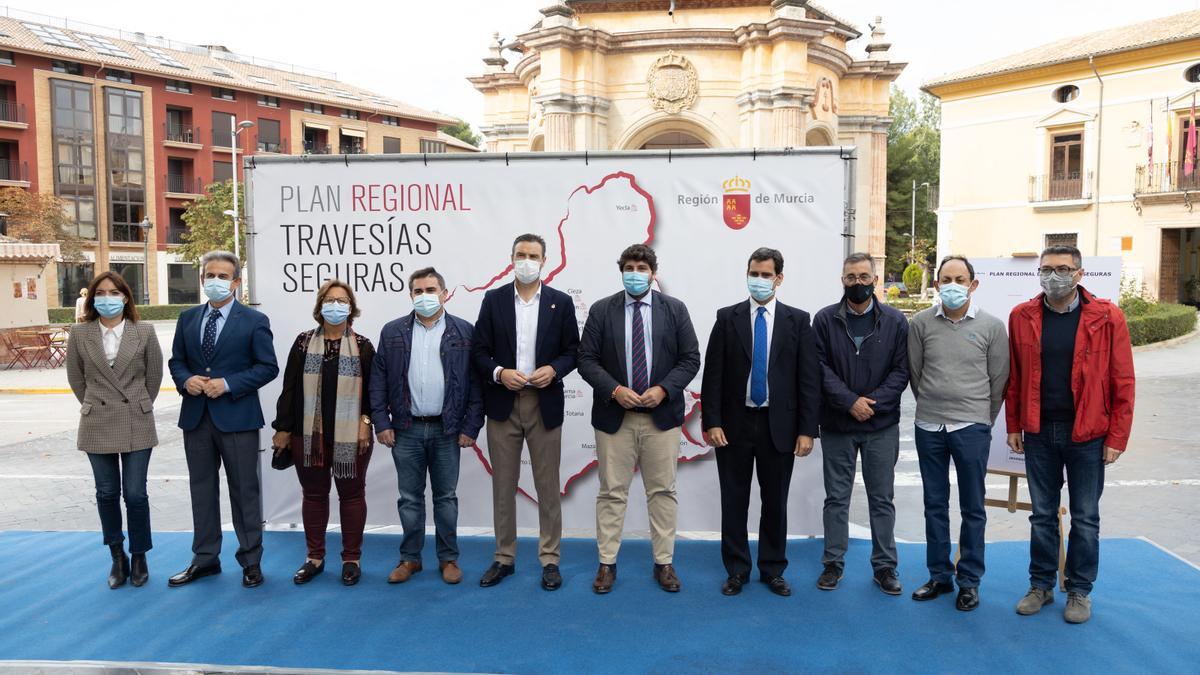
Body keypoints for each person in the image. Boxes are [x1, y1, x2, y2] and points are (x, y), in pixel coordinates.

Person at [1006, 245, 1135, 624]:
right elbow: (1015, 376)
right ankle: (1041, 585)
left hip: (1088, 433)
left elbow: (1123, 380)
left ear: (1080, 274)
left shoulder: (1107, 317)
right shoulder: (1022, 315)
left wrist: (1117, 436)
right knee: (1043, 514)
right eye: (1046, 269)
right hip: (1040, 431)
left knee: (1086, 516)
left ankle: (1078, 590)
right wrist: (1014, 424)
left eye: (1062, 269)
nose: (1053, 276)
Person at [578, 243, 701, 594]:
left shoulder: (675, 310)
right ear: (621, 271)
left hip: (661, 417)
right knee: (611, 493)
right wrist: (615, 390)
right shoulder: (602, 310)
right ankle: (606, 564)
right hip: (614, 416)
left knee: (663, 491)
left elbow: (690, 358)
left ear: (653, 272)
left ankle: (664, 563)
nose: (635, 273)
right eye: (629, 267)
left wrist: (664, 389)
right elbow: (586, 359)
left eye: (641, 267)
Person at [700, 247, 819, 597]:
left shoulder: (798, 321)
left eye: (766, 275)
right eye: (754, 273)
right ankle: (736, 570)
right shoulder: (727, 318)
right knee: (734, 501)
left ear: (779, 279)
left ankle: (773, 569)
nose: (759, 280)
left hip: (778, 427)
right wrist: (712, 422)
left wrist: (807, 430)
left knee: (775, 502)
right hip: (734, 426)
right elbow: (713, 377)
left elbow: (808, 380)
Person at [472, 233, 580, 590]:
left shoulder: (560, 303)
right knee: (503, 486)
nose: (527, 261)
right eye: (521, 254)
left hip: (544, 402)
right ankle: (504, 558)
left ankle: (550, 559)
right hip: (502, 403)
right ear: (511, 257)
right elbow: (479, 351)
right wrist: (499, 373)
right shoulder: (494, 300)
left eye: (533, 255)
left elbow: (572, 351)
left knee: (547, 486)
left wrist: (555, 369)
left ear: (544, 261)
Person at [167, 251, 279, 588]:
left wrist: (228, 384)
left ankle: (250, 561)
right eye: (209, 275)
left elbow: (267, 367)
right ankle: (205, 559)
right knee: (201, 490)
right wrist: (186, 380)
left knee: (244, 491)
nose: (215, 281)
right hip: (196, 418)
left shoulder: (254, 320)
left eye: (222, 276)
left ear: (235, 282)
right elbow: (177, 362)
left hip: (238, 419)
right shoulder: (187, 318)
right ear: (202, 279)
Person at [907, 255, 1009, 611]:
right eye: (946, 279)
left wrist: (981, 417)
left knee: (972, 507)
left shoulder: (992, 327)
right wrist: (935, 405)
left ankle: (969, 581)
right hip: (929, 426)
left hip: (972, 428)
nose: (952, 285)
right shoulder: (919, 324)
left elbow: (999, 382)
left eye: (960, 279)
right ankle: (939, 576)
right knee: (934, 504)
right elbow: (916, 375)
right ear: (936, 285)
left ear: (973, 284)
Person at [370, 267, 483, 586]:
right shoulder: (392, 332)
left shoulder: (464, 332)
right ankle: (410, 559)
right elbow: (378, 380)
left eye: (431, 290)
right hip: (405, 428)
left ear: (444, 294)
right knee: (409, 497)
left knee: (446, 497)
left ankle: (449, 559)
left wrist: (471, 426)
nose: (425, 297)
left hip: (448, 429)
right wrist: (381, 421)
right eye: (418, 291)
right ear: (410, 296)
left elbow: (476, 384)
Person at [812, 252, 910, 595]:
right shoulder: (824, 320)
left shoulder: (897, 322)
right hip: (838, 424)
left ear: (876, 280)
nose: (858, 283)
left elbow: (902, 371)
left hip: (880, 426)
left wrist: (874, 404)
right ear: (842, 280)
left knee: (882, 498)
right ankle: (832, 564)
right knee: (836, 499)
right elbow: (819, 369)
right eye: (851, 277)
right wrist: (848, 401)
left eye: (864, 276)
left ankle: (885, 567)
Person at [271, 280, 376, 586]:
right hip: (309, 436)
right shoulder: (304, 343)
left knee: (352, 495)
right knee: (314, 496)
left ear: (351, 308)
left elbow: (374, 391)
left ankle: (351, 559)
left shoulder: (364, 346)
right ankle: (314, 557)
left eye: (342, 300)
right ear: (320, 307)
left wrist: (365, 421)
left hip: (352, 437)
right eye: (329, 300)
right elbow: (289, 388)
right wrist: (283, 429)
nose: (336, 305)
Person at [65, 271, 163, 589]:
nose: (107, 298)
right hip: (97, 421)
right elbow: (76, 379)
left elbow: (154, 377)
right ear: (93, 298)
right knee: (106, 493)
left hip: (136, 417)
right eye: (101, 292)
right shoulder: (80, 333)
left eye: (114, 292)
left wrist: (137, 403)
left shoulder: (144, 331)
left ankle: (139, 555)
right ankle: (116, 555)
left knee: (135, 493)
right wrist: (95, 402)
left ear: (125, 297)